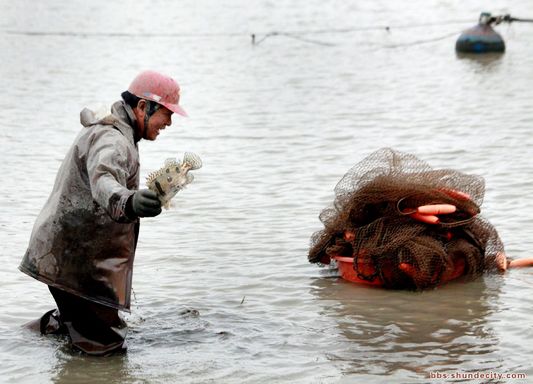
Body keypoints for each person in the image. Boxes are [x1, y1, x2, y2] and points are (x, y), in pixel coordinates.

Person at [19, 70, 187, 355]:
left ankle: (19, 346)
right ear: (143, 107)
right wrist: (129, 201)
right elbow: (104, 181)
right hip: (75, 263)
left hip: (70, 257)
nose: (169, 122)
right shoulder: (112, 138)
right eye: (167, 114)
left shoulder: (122, 132)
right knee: (105, 348)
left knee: (79, 328)